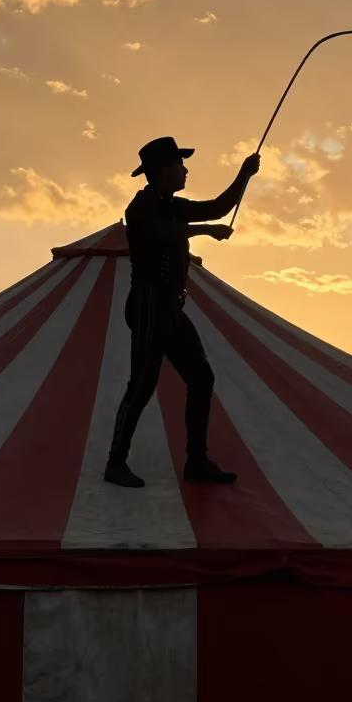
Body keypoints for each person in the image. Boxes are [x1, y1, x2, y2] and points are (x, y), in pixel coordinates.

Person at [104, 136, 260, 488]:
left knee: (202, 378)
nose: (186, 169)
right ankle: (115, 462)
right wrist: (208, 231)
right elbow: (165, 233)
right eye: (180, 164)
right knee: (142, 384)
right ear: (161, 171)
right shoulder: (140, 208)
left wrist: (244, 174)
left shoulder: (174, 206)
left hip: (170, 308)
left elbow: (219, 206)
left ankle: (197, 460)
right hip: (147, 307)